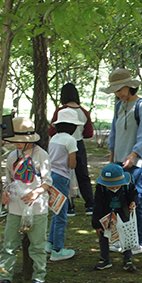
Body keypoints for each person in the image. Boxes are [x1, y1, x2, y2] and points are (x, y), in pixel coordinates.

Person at [0, 117, 52, 283]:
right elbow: (9, 181)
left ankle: (39, 279)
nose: (16, 145)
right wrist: (5, 193)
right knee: (10, 244)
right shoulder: (12, 156)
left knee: (37, 246)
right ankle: (5, 278)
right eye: (14, 141)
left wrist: (36, 192)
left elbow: (47, 182)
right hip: (15, 207)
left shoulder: (41, 155)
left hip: (37, 208)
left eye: (19, 141)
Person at [103, 68, 142, 254]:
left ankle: (141, 241)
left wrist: (133, 155)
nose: (118, 94)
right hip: (118, 162)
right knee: (118, 201)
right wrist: (111, 159)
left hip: (137, 164)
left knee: (137, 200)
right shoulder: (119, 106)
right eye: (115, 91)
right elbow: (114, 134)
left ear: (129, 86)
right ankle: (122, 239)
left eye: (119, 90)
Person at [49, 83, 95, 216]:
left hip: (62, 145)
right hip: (78, 144)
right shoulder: (83, 112)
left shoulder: (60, 111)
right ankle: (90, 204)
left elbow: (52, 130)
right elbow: (89, 133)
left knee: (63, 173)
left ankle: (68, 205)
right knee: (83, 175)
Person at [91, 163, 138, 272]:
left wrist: (133, 202)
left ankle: (128, 258)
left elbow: (134, 194)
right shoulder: (101, 188)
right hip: (106, 214)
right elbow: (97, 206)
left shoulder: (127, 185)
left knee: (126, 234)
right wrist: (97, 225)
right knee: (104, 235)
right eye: (111, 185)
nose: (114, 188)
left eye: (117, 185)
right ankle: (105, 258)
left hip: (123, 212)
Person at [46, 109, 78, 261]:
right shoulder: (70, 141)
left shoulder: (54, 138)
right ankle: (58, 249)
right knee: (62, 214)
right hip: (62, 177)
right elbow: (72, 164)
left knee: (55, 209)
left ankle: (50, 243)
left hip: (51, 176)